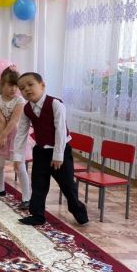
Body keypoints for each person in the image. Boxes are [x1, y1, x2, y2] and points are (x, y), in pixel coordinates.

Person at [13, 72, 89, 226]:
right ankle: (37, 216)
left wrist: (58, 155)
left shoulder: (55, 104)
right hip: (41, 151)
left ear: (42, 85)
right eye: (22, 88)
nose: (26, 89)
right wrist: (18, 157)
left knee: (67, 186)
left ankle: (79, 212)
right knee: (38, 185)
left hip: (60, 151)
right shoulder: (27, 109)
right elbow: (21, 133)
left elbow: (61, 130)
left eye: (30, 84)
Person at [0, 67, 32, 209]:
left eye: (15, 86)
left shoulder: (19, 100)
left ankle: (27, 198)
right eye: (10, 85)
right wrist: (1, 137)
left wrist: (4, 136)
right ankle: (0, 189)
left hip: (17, 135)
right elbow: (1, 120)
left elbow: (13, 121)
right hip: (1, 132)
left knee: (19, 165)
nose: (13, 89)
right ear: (2, 85)